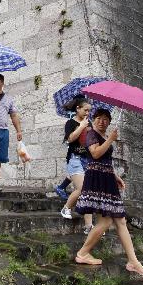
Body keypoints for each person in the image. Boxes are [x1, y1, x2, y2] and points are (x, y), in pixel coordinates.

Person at [74, 109, 143, 277]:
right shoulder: (91, 134)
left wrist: (115, 176)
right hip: (97, 180)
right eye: (98, 118)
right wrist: (111, 139)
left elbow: (105, 160)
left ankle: (133, 261)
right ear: (94, 119)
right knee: (107, 220)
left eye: (105, 119)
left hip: (107, 179)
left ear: (109, 122)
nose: (102, 121)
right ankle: (83, 253)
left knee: (120, 220)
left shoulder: (103, 136)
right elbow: (95, 153)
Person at [59, 99, 94, 233]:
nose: (87, 113)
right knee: (83, 189)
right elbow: (70, 139)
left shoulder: (89, 123)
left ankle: (88, 226)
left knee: (87, 192)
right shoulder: (70, 123)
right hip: (75, 159)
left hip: (87, 159)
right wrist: (81, 126)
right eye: (85, 110)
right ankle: (66, 208)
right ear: (78, 108)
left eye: (89, 111)